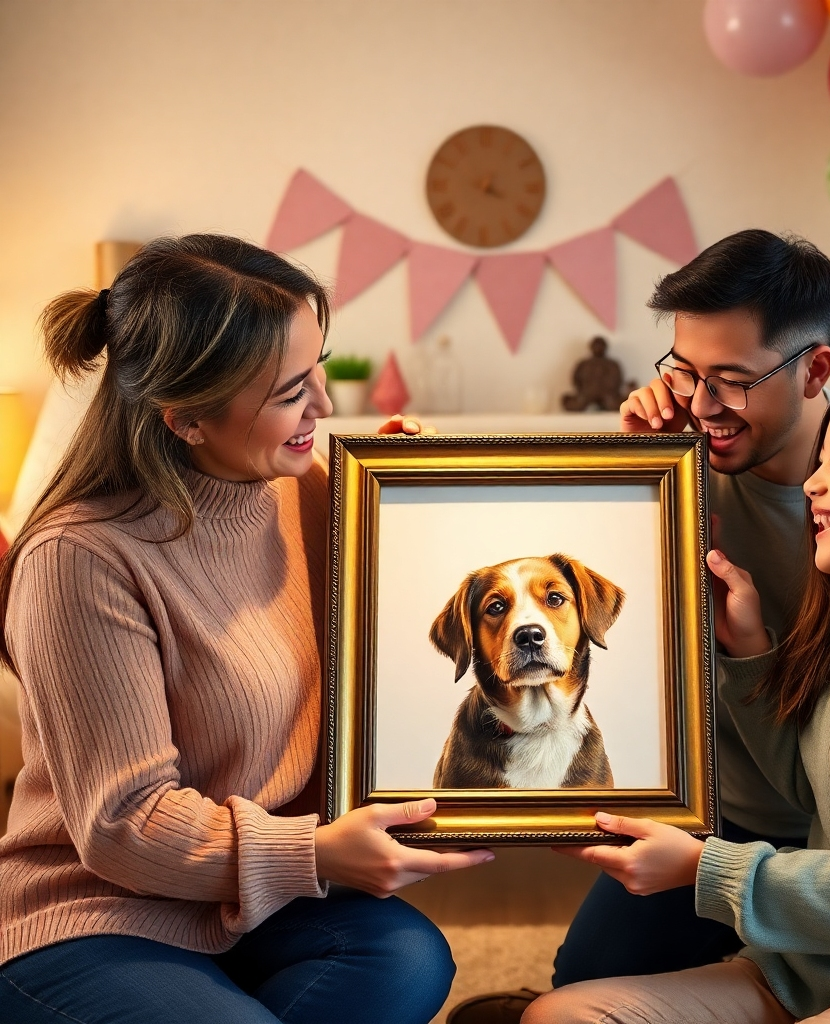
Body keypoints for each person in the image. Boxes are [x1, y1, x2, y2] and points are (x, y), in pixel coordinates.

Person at [0, 235, 492, 1024]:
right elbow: (124, 825)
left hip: (255, 901)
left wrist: (407, 501)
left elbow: (396, 664)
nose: (325, 406)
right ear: (187, 418)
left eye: (317, 368)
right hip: (98, 904)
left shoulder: (307, 493)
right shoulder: (78, 559)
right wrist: (318, 853)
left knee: (411, 960)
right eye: (291, 390)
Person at [526, 361, 830, 1024]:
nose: (813, 482)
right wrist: (751, 649)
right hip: (805, 971)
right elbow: (809, 786)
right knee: (561, 1014)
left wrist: (703, 868)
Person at [553, 229, 830, 985]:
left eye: (733, 379)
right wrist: (640, 480)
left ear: (816, 371)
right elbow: (618, 648)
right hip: (717, 813)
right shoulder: (685, 457)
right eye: (685, 371)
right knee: (581, 979)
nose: (704, 404)